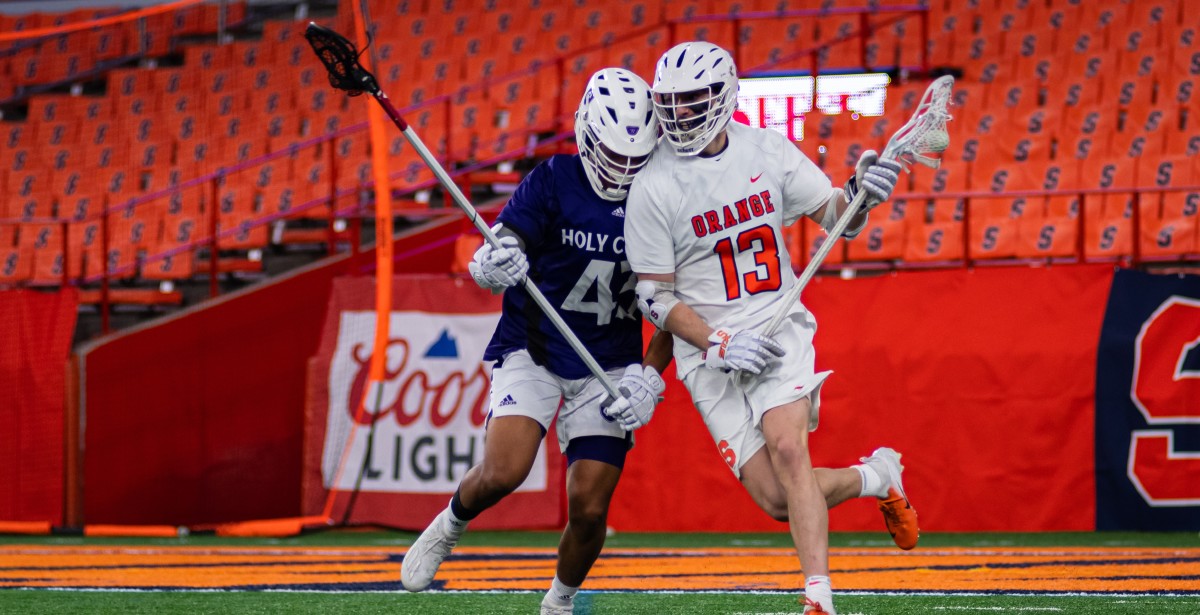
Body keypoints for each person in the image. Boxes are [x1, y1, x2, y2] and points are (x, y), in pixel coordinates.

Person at [624, 42, 917, 615]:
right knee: (777, 500)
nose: (680, 113)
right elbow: (655, 299)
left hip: (775, 322)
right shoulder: (653, 184)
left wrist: (861, 196)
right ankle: (876, 474)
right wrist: (718, 342)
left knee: (788, 448)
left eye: (693, 100)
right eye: (671, 102)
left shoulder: (765, 148)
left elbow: (837, 219)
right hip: (707, 347)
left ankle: (818, 598)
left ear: (723, 95)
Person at [401, 67, 673, 615]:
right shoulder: (553, 178)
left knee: (590, 507)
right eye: (613, 155)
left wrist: (648, 374)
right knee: (505, 472)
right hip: (537, 346)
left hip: (611, 364)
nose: (623, 170)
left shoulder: (665, 195)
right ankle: (451, 521)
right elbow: (507, 237)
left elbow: (675, 301)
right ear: (585, 134)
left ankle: (558, 602)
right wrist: (494, 259)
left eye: (634, 158)